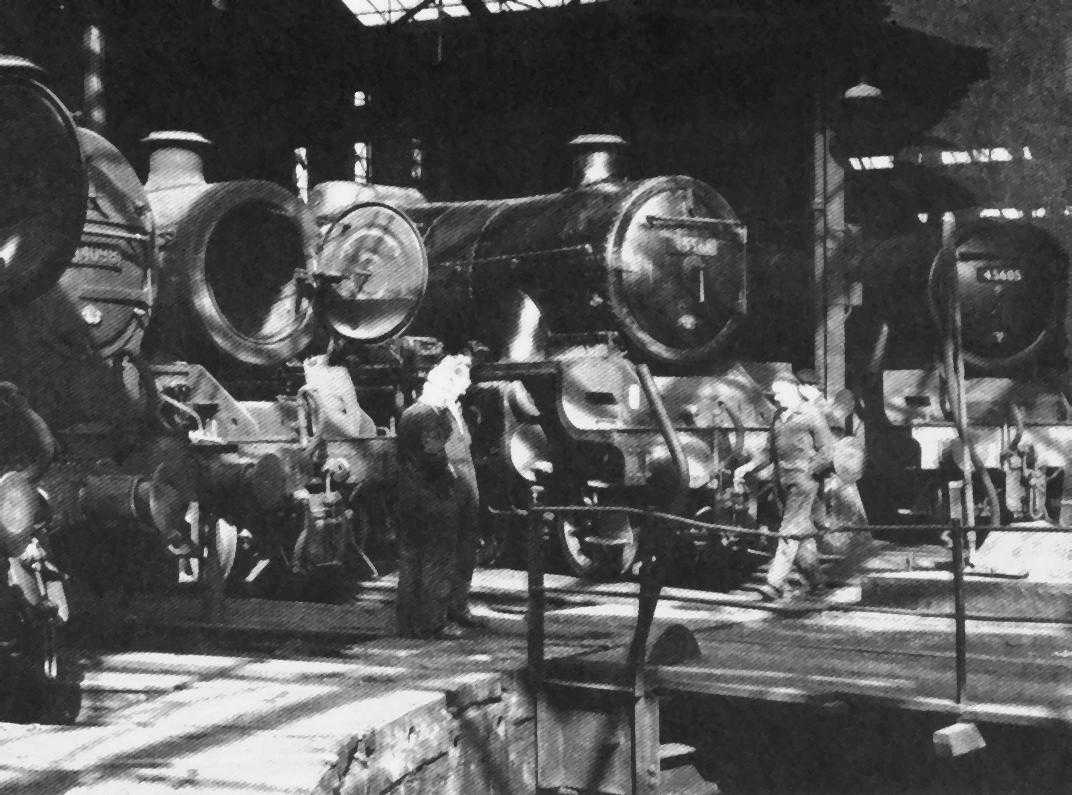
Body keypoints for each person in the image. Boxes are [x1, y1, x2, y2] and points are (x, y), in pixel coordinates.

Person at [394, 354, 485, 638]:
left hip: (445, 494)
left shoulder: (443, 412)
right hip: (435, 496)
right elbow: (434, 457)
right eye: (461, 383)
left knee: (436, 557)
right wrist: (453, 483)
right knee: (434, 558)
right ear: (445, 381)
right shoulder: (425, 415)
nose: (464, 388)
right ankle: (432, 621)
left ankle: (438, 613)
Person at [734, 375, 836, 601]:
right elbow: (769, 452)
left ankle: (774, 583)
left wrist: (810, 471)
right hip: (781, 482)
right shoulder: (779, 417)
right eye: (775, 394)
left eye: (780, 393)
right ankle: (817, 582)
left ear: (794, 390)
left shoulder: (811, 415)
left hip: (803, 484)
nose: (777, 398)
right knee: (800, 535)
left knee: (788, 530)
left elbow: (827, 451)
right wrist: (748, 467)